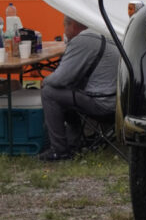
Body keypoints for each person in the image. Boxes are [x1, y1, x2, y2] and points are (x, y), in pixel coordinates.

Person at [39, 15, 119, 161]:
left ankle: (59, 151)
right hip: (117, 103)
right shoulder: (99, 34)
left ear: (74, 25)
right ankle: (73, 142)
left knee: (49, 92)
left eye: (65, 26)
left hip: (103, 105)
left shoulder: (82, 40)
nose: (64, 31)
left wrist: (46, 80)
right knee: (67, 93)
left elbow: (60, 79)